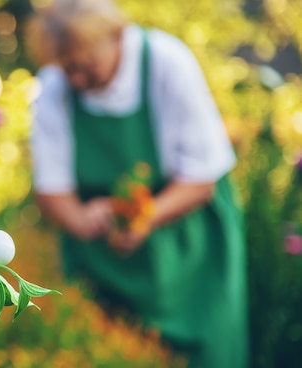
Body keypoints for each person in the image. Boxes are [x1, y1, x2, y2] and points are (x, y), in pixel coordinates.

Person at [26, 0, 248, 367]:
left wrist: (144, 216)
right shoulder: (54, 87)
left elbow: (201, 179)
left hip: (189, 250)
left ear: (117, 36)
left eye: (86, 66)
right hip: (103, 259)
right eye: (69, 70)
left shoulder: (166, 61)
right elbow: (52, 190)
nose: (78, 80)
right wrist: (80, 218)